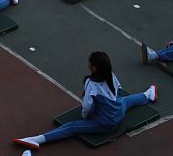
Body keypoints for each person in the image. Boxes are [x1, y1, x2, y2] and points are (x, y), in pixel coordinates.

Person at [14, 52, 156, 148]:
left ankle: (38, 140)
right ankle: (148, 95)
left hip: (106, 124)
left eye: (89, 61)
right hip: (118, 112)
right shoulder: (111, 75)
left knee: (72, 127)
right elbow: (119, 89)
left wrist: (85, 117)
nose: (87, 62)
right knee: (124, 101)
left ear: (94, 67)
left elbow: (87, 106)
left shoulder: (91, 83)